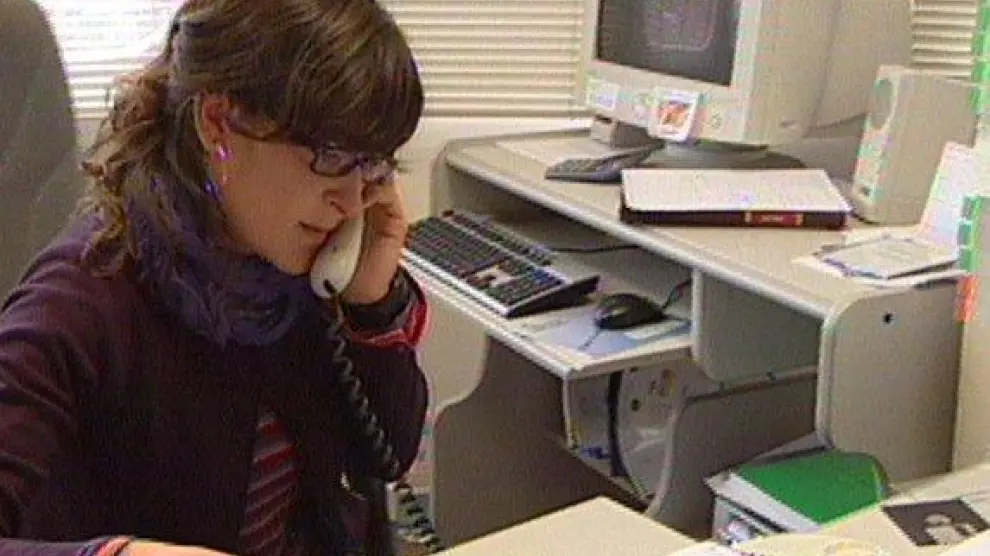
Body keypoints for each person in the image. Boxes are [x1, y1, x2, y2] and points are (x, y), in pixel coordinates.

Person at [0, 0, 428, 554]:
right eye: (330, 155)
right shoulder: (83, 301)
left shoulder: (298, 269)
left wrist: (372, 307)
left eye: (373, 164)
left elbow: (388, 453)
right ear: (218, 122)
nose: (351, 201)